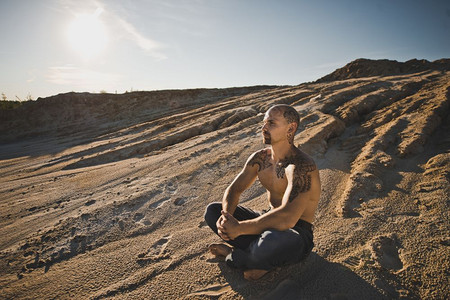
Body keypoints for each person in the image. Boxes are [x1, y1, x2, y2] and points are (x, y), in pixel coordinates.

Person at [204, 104, 321, 280]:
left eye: (271, 123)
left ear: (291, 128)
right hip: (266, 222)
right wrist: (227, 217)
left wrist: (240, 229)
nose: (264, 128)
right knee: (213, 211)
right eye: (264, 122)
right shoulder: (260, 158)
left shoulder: (301, 166)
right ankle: (255, 257)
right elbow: (235, 189)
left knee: (271, 239)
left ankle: (233, 255)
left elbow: (287, 218)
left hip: (295, 234)